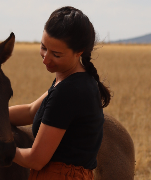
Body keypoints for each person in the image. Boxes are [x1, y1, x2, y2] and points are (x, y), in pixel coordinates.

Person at [10, 6, 111, 180]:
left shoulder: (69, 92)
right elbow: (30, 111)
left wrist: (4, 149)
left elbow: (36, 160)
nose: (45, 58)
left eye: (56, 54)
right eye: (43, 47)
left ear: (79, 52)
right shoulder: (74, 80)